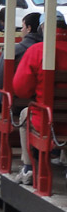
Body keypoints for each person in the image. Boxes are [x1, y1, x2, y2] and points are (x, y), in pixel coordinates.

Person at [11, 13, 67, 184]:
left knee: (24, 114)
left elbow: (21, 89)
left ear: (43, 28)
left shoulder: (37, 50)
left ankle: (28, 168)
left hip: (45, 120)